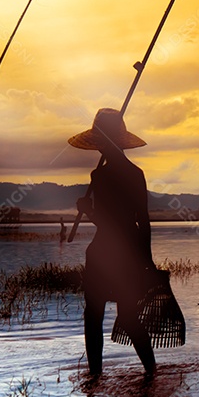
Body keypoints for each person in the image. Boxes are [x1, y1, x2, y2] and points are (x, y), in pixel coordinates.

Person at [69, 108, 156, 376]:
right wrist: (147, 261)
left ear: (105, 142)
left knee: (93, 315)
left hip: (104, 254)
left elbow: (108, 223)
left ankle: (94, 376)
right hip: (128, 254)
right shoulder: (135, 173)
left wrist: (88, 209)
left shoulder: (102, 177)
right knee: (129, 317)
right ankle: (151, 371)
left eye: (100, 143)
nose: (99, 149)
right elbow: (143, 221)